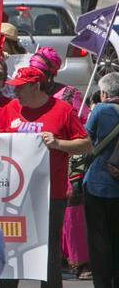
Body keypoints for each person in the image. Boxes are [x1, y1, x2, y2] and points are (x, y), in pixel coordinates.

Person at [0, 65, 91, 288]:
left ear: (36, 86)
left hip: (51, 196)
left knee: (47, 254)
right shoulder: (10, 109)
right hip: (13, 196)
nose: (15, 93)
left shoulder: (63, 110)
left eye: (20, 88)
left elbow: (86, 145)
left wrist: (59, 143)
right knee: (10, 252)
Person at [83, 72, 119, 288]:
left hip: (98, 183)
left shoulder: (101, 110)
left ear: (104, 93)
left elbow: (85, 141)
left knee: (99, 243)